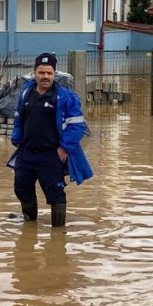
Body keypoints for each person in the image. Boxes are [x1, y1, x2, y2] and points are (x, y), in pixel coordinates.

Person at [9, 52, 92, 227]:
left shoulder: (66, 97)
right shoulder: (26, 93)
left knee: (55, 192)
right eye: (41, 72)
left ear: (54, 74)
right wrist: (16, 140)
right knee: (21, 188)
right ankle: (30, 225)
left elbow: (77, 126)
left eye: (49, 73)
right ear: (35, 73)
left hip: (51, 154)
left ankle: (59, 234)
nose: (45, 76)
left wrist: (64, 148)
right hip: (26, 153)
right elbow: (18, 119)